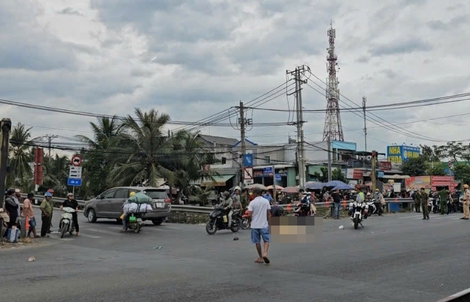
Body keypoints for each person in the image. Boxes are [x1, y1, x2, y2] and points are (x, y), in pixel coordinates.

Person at [246, 188, 271, 264]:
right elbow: (269, 213)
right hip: (264, 224)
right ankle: (265, 254)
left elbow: (249, 214)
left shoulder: (252, 203)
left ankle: (260, 257)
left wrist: (249, 222)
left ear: (256, 194)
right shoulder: (266, 201)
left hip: (255, 225)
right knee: (266, 240)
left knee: (257, 242)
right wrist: (268, 222)